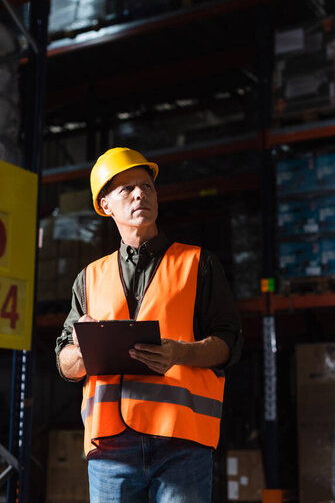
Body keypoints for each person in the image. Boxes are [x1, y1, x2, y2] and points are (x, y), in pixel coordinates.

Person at [55, 147, 242, 503]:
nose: (141, 193)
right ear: (105, 205)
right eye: (127, 189)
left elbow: (229, 343)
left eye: (147, 186)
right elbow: (64, 360)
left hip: (181, 444)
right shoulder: (89, 278)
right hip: (110, 449)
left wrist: (180, 352)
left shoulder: (197, 264)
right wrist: (83, 351)